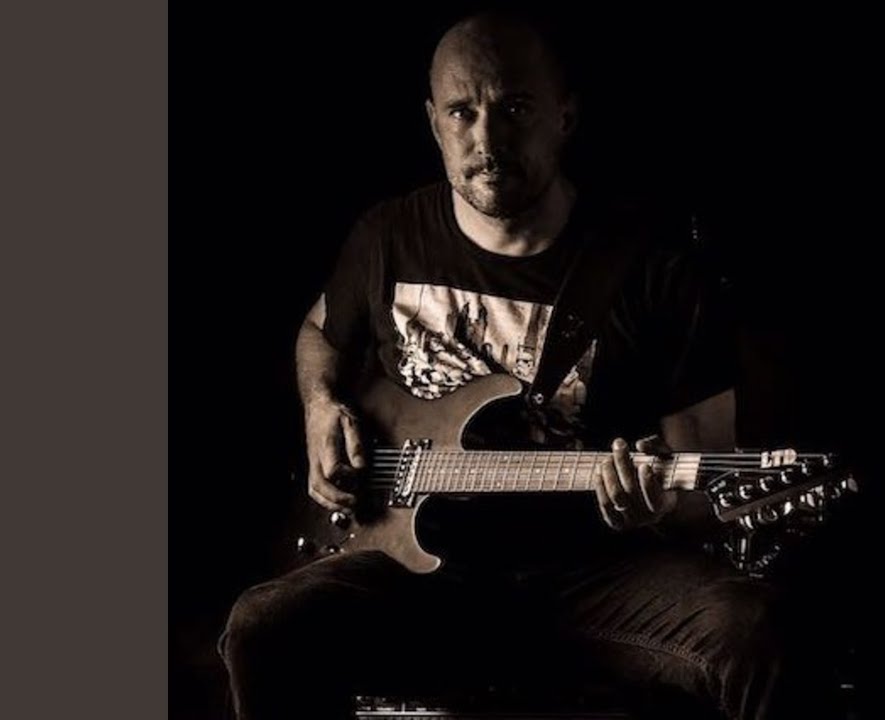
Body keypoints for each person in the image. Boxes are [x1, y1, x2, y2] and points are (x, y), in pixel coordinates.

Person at [219, 11, 836, 720]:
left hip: (594, 578)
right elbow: (319, 331)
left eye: (514, 109)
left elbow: (702, 477)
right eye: (462, 111)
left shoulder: (654, 271)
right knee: (263, 626)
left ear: (564, 117)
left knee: (758, 634)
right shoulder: (388, 235)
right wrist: (320, 405)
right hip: (414, 577)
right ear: (433, 122)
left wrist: (660, 506)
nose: (487, 140)